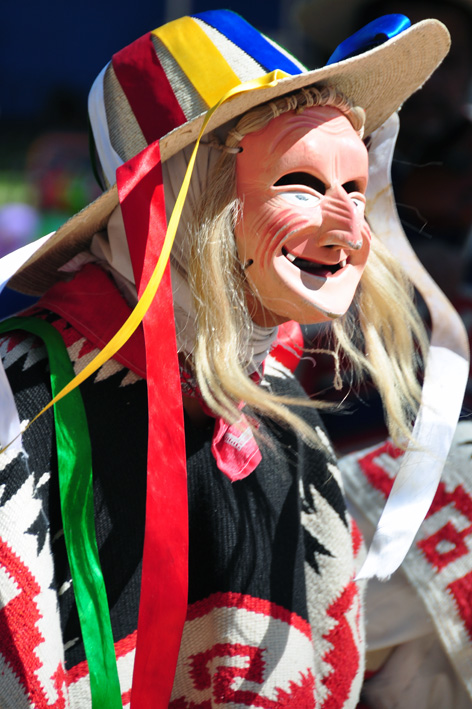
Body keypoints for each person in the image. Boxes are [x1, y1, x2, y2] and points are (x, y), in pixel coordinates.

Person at [0, 9, 463, 709]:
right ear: (189, 199)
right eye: (304, 182)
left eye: (356, 189)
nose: (349, 228)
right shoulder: (23, 404)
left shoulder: (278, 414)